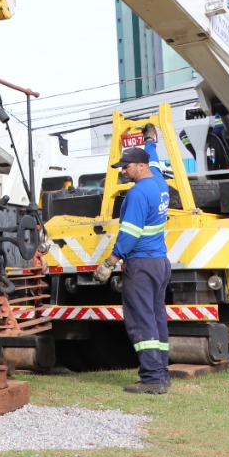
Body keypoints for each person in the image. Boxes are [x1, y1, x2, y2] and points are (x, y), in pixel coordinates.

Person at [99, 146, 172, 394]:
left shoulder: (138, 193)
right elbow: (155, 160)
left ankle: (152, 379)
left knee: (141, 321)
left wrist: (110, 262)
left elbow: (130, 234)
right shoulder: (160, 183)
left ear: (141, 166)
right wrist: (150, 141)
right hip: (160, 263)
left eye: (126, 166)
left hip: (140, 264)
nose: (123, 171)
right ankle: (161, 373)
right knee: (156, 318)